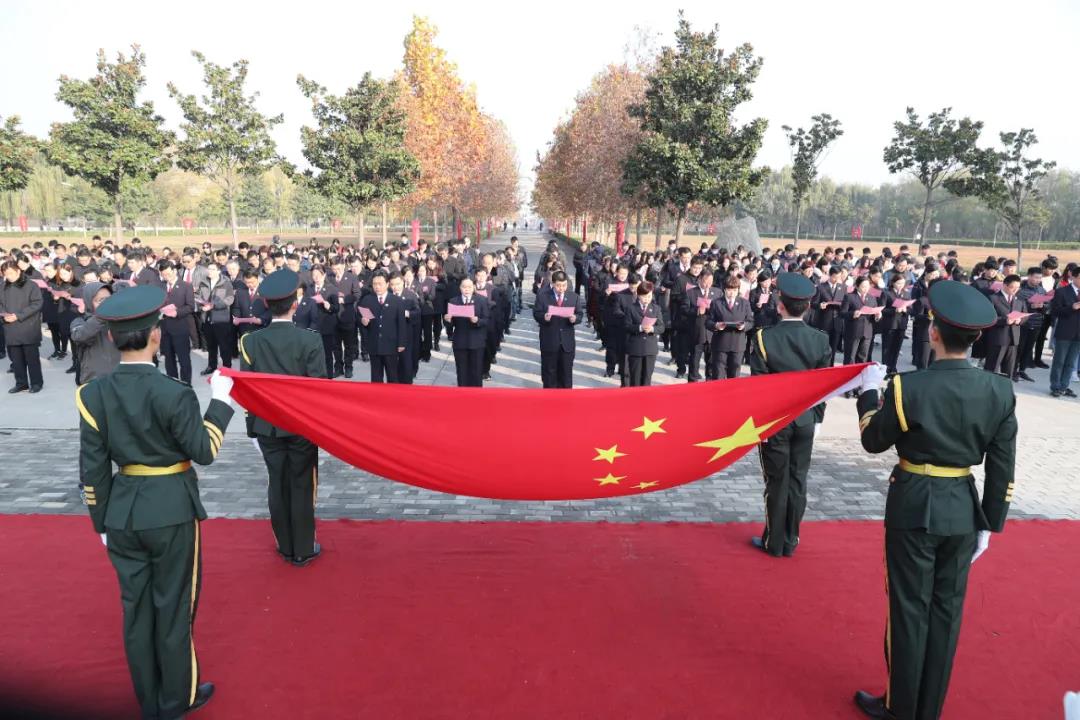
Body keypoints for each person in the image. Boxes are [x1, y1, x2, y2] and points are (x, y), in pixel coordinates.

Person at [853, 280, 1017, 720]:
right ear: (976, 337)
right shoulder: (1000, 390)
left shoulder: (908, 387)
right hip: (963, 507)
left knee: (909, 609)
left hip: (913, 503)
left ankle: (900, 707)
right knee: (946, 613)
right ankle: (928, 709)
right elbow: (1002, 467)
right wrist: (990, 523)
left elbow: (873, 440)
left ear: (933, 332)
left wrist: (869, 393)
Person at [79, 284, 235, 720]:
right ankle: (177, 697)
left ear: (111, 337)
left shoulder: (92, 394)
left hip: (122, 512)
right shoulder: (174, 392)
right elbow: (204, 450)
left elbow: (93, 470)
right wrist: (221, 402)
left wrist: (101, 522)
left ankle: (149, 698)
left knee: (137, 610)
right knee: (174, 606)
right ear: (156, 335)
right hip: (171, 510)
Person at [239, 269, 328, 566]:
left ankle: (285, 544)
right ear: (295, 304)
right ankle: (303, 547)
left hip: (267, 426)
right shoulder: (310, 340)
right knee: (302, 484)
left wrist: (252, 427)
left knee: (277, 483)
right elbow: (318, 389)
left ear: (266, 304)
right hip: (301, 426)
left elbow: (248, 391)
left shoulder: (250, 342)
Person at [748, 273, 832, 557]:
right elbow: (823, 387)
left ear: (779, 305)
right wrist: (817, 418)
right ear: (807, 307)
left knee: (776, 481)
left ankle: (774, 541)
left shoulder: (764, 338)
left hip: (775, 421)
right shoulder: (820, 340)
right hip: (806, 419)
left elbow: (758, 388)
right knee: (797, 480)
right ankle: (791, 538)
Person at [0, 259, 44, 393]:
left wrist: (18, 316)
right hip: (10, 327)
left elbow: (37, 303)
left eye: (11, 273)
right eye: (6, 274)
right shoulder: (3, 286)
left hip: (28, 326)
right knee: (16, 359)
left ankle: (36, 383)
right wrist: (3, 315)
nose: (9, 277)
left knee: (32, 358)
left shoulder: (31, 285)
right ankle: (21, 383)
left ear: (18, 271)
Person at [533, 269, 582, 388]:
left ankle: (565, 398)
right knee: (549, 374)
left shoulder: (574, 297)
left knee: (566, 375)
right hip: (549, 341)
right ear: (553, 283)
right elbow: (536, 313)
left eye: (564, 285)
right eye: (559, 285)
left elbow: (580, 314)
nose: (561, 288)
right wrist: (544, 317)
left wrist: (575, 318)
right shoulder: (543, 296)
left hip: (567, 343)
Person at [357, 272, 407, 383]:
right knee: (376, 377)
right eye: (375, 284)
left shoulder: (397, 301)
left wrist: (401, 343)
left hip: (391, 345)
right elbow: (360, 316)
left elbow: (401, 323)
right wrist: (363, 321)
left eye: (380, 284)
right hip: (374, 344)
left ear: (387, 284)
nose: (377, 287)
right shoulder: (367, 300)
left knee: (392, 376)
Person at [70, 281, 120, 383]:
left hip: (119, 378)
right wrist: (101, 317)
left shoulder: (119, 320)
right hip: (94, 380)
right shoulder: (80, 321)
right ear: (89, 302)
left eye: (109, 299)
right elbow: (79, 336)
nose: (106, 303)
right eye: (100, 300)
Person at [444, 276, 489, 387]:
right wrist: (447, 320)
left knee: (476, 372)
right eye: (464, 287)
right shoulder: (454, 301)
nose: (467, 289)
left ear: (473, 287)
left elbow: (487, 320)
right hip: (460, 341)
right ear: (460, 288)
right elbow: (450, 325)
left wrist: (478, 320)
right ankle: (462, 393)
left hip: (476, 341)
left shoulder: (481, 300)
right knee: (461, 372)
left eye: (469, 287)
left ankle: (476, 394)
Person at [707, 275, 754, 380]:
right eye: (729, 290)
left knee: (734, 376)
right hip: (720, 344)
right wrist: (716, 325)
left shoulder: (744, 303)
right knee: (718, 375)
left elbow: (750, 321)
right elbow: (708, 321)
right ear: (724, 289)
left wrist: (744, 326)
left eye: (735, 290)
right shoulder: (716, 302)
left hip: (737, 344)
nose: (732, 293)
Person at [158, 261, 196, 384]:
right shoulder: (160, 286)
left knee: (183, 358)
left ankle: (186, 384)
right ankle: (173, 383)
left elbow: (190, 306)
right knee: (169, 359)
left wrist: (177, 312)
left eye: (168, 274)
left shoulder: (186, 286)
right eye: (163, 275)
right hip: (165, 328)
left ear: (174, 271)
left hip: (180, 327)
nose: (166, 277)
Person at [983, 274, 1026, 379]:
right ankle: (988, 386)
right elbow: (988, 318)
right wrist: (1004, 320)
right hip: (998, 338)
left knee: (1009, 369)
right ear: (1005, 285)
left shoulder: (1019, 300)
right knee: (992, 368)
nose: (1015, 290)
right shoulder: (993, 298)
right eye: (1012, 287)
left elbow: (1025, 315)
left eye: (1018, 288)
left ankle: (1006, 387)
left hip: (1013, 339)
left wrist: (1020, 320)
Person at [624, 281, 665, 387]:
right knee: (635, 379)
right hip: (636, 348)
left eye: (649, 296)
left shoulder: (656, 309)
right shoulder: (631, 308)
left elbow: (661, 327)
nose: (647, 299)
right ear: (638, 295)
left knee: (647, 379)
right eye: (644, 296)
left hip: (650, 349)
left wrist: (652, 329)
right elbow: (626, 326)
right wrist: (640, 328)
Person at [685, 269, 722, 382]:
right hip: (696, 332)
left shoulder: (717, 292)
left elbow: (722, 309)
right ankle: (692, 381)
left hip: (712, 333)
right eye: (706, 282)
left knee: (711, 361)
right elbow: (684, 309)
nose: (708, 285)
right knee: (694, 360)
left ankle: (709, 382)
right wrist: (697, 310)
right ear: (700, 279)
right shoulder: (690, 292)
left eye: (711, 282)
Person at [199, 262, 235, 375]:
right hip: (207, 318)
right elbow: (198, 297)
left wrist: (214, 305)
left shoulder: (226, 283)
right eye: (208, 269)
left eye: (212, 269)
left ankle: (227, 367)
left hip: (221, 319)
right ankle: (212, 366)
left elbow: (230, 299)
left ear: (219, 271)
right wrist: (201, 306)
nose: (209, 271)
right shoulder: (203, 282)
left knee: (224, 345)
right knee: (211, 345)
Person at [1048, 267, 1080, 398]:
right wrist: (1071, 307)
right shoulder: (1062, 291)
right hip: (1065, 332)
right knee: (1059, 361)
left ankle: (1064, 386)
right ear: (1074, 277)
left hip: (1078, 335)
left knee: (1071, 363)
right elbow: (1055, 311)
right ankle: (1055, 386)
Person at [814, 266, 846, 365]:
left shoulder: (843, 287)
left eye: (839, 277)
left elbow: (846, 304)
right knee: (822, 347)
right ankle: (821, 366)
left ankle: (831, 366)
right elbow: (813, 303)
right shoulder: (821, 287)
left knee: (833, 347)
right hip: (824, 321)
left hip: (837, 321)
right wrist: (820, 305)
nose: (837, 279)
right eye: (835, 277)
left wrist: (842, 306)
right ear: (830, 275)